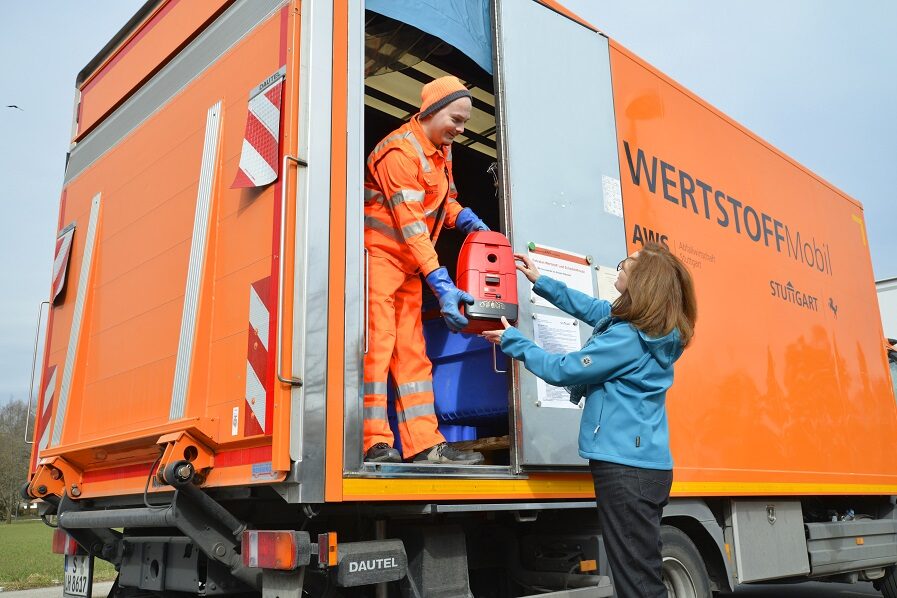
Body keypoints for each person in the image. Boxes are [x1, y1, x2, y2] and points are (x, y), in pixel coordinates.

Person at [482, 243, 697, 597]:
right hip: (646, 467)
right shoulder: (652, 331)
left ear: (642, 284)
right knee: (641, 572)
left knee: (637, 583)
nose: (620, 269)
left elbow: (562, 369)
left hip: (626, 470)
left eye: (627, 266)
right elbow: (596, 310)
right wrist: (543, 281)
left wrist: (514, 342)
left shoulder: (627, 339)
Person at [363, 76, 489, 465]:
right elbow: (412, 223)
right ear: (431, 111)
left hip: (409, 266)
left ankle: (424, 445)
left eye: (465, 122)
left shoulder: (440, 150)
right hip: (380, 259)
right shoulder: (399, 152)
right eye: (456, 118)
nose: (461, 129)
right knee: (378, 347)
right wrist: (441, 283)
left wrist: (462, 216)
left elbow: (442, 199)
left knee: (414, 355)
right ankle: (374, 442)